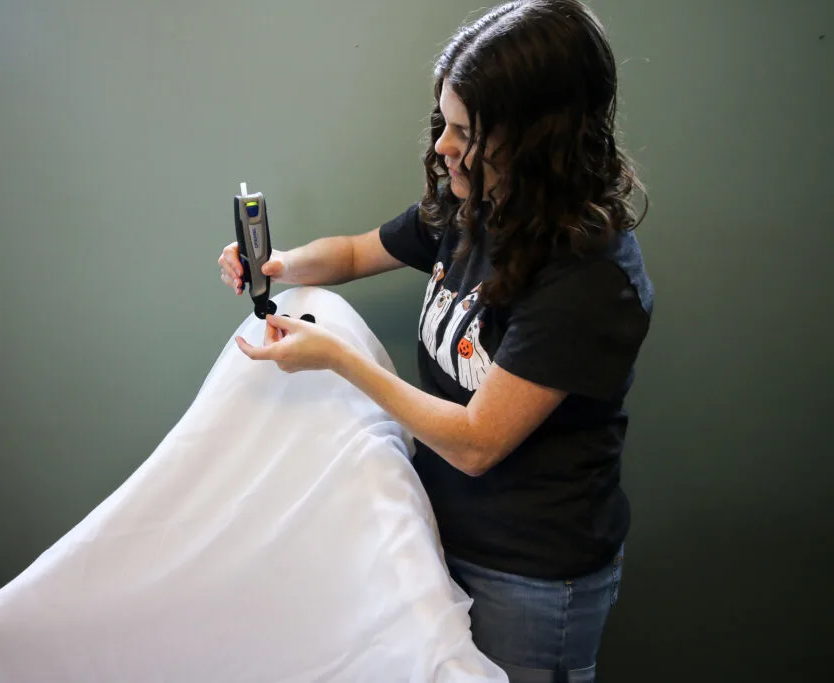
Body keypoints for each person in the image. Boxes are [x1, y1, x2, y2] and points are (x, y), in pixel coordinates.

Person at [217, 1, 653, 681]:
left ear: (536, 140)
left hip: (532, 579)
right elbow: (361, 251)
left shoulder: (589, 276)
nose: (443, 147)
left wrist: (338, 359)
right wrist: (277, 264)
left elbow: (478, 442)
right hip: (442, 534)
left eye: (464, 132)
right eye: (443, 124)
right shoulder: (476, 202)